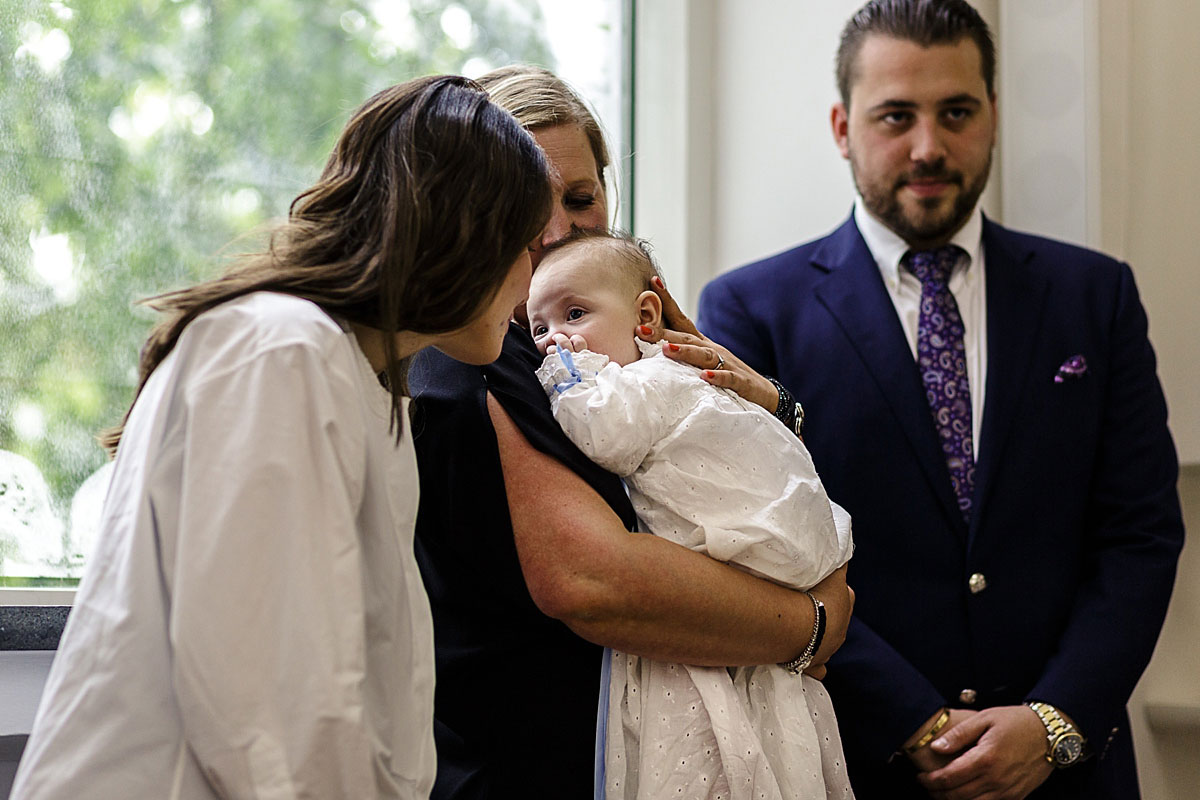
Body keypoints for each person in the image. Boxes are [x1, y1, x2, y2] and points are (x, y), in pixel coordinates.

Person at [11, 75, 553, 800]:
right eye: (524, 243)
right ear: (463, 232)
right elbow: (271, 716)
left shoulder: (362, 380)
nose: (533, 273)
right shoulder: (283, 352)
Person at [697, 2, 1185, 798]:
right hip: (858, 765)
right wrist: (911, 723)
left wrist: (1055, 720)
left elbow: (1140, 535)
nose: (929, 147)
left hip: (1070, 773)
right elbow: (761, 558)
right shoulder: (751, 313)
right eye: (896, 116)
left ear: (991, 115)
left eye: (956, 112)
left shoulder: (1095, 297)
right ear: (842, 126)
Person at [408, 65, 855, 798]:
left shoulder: (618, 339)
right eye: (524, 201)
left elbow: (744, 472)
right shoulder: (475, 357)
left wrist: (769, 404)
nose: (556, 230)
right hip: (524, 764)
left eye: (581, 198)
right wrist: (811, 623)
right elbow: (593, 581)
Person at [527, 231, 856, 800]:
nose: (556, 338)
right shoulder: (674, 377)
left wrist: (562, 382)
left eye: (575, 314)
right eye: (538, 329)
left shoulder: (643, 382)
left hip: (737, 579)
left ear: (645, 316)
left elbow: (607, 439)